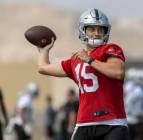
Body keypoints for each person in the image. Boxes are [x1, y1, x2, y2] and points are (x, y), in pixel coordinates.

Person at [36, 8, 129, 140]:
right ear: (83, 30)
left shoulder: (110, 49)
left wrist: (90, 60)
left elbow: (118, 72)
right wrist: (43, 50)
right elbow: (43, 68)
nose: (96, 33)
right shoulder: (75, 60)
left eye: (100, 29)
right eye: (92, 29)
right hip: (84, 123)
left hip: (112, 122)